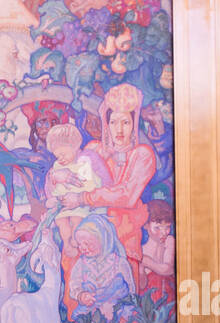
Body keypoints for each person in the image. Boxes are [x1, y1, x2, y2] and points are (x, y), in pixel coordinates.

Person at [61, 84, 156, 292]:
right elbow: (74, 183)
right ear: (106, 122)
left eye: (125, 122)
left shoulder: (142, 155)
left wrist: (85, 197)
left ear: (134, 123)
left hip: (124, 232)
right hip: (90, 230)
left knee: (122, 291)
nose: (119, 130)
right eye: (114, 122)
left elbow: (127, 196)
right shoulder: (94, 149)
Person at [140, 199, 174, 302]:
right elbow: (141, 285)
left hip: (168, 298)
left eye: (167, 227)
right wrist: (140, 268)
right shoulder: (141, 250)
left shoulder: (169, 241)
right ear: (146, 225)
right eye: (158, 228)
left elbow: (168, 269)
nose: (164, 232)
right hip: (149, 301)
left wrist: (146, 262)